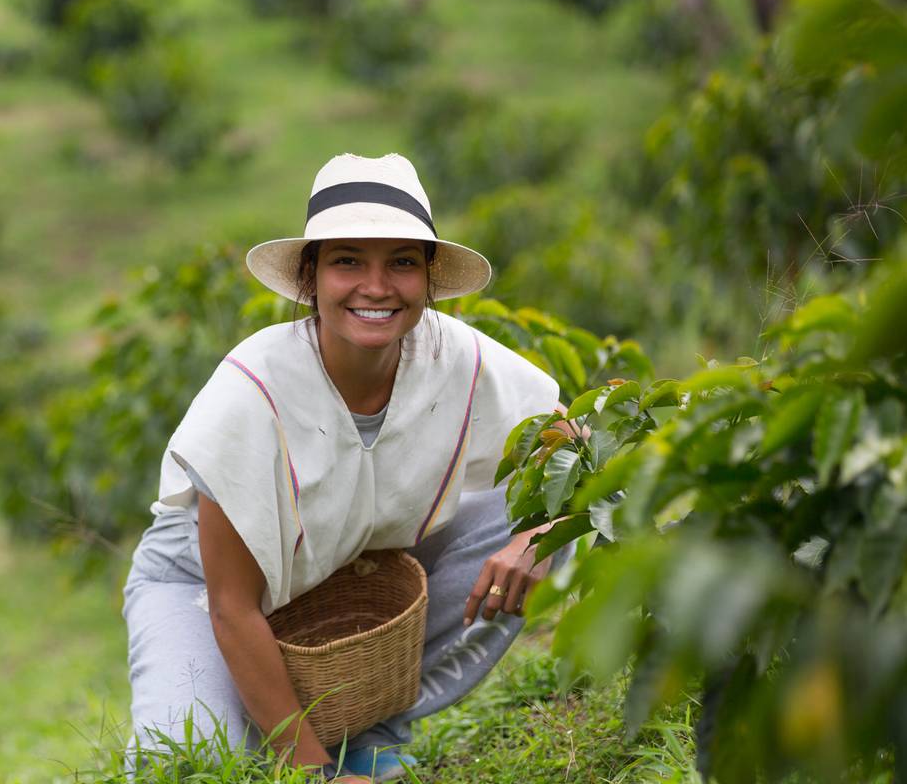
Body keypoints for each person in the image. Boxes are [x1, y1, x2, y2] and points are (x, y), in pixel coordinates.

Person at [120, 153, 578, 782]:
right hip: (203, 589)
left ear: (429, 276)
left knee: (522, 514)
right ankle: (314, 750)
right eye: (347, 260)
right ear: (309, 277)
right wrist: (314, 776)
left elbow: (571, 443)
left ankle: (370, 730)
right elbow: (232, 606)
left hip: (336, 571)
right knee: (185, 765)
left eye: (402, 262)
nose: (376, 286)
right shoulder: (253, 391)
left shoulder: (455, 358)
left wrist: (536, 538)